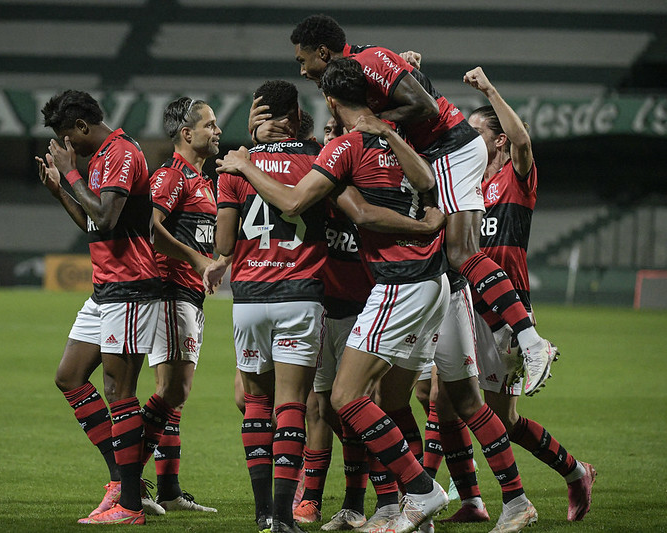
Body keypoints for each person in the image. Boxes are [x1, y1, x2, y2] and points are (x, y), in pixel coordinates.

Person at [217, 58, 451, 533]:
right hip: (424, 282)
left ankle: (416, 492)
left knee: (338, 400)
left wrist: (245, 158)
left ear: (331, 101)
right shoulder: (391, 139)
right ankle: (398, 505)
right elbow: (425, 184)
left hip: (379, 288)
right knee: (385, 402)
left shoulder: (338, 150)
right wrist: (427, 224)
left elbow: (301, 206)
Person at [289, 13, 558, 397]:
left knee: (462, 251)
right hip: (444, 153)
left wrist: (375, 121)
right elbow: (412, 93)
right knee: (455, 260)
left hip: (450, 150)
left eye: (303, 60)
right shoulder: (366, 65)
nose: (302, 70)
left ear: (323, 51)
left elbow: (426, 108)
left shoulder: (369, 62)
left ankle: (531, 342)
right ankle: (507, 333)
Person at [435, 66, 597, 525]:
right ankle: (470, 500)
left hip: (508, 308)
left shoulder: (516, 179)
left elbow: (524, 143)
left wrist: (488, 89)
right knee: (443, 402)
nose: (467, 136)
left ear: (499, 140)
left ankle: (573, 470)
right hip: (467, 302)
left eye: (477, 130)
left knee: (500, 419)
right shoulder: (468, 186)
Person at [35, 89, 161, 525]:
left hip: (131, 287)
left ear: (83, 127)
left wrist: (70, 175)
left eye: (68, 136)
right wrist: (60, 192)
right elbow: (93, 222)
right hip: (105, 289)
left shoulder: (121, 152)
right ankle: (122, 480)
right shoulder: (101, 157)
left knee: (118, 392)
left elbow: (106, 217)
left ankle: (129, 506)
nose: (67, 146)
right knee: (69, 377)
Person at [214, 79, 329, 533]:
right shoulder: (318, 160)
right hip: (300, 294)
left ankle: (262, 512)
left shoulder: (234, 167)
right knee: (291, 405)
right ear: (296, 114)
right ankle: (285, 516)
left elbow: (223, 243)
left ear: (259, 115)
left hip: (248, 299)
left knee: (256, 402)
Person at [140, 96, 220, 513]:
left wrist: (216, 261)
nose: (217, 131)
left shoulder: (204, 181)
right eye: (210, 124)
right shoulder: (172, 175)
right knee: (173, 389)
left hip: (191, 294)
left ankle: (168, 491)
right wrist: (195, 258)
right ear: (187, 133)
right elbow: (149, 228)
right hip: (169, 290)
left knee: (174, 396)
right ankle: (128, 480)